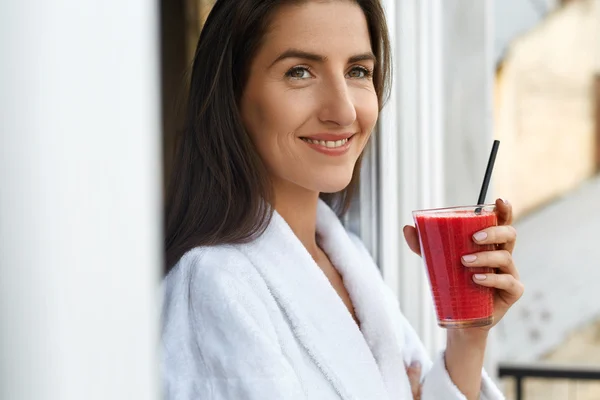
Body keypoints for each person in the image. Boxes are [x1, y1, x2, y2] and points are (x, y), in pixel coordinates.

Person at [161, 0, 524, 399]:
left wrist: (468, 336)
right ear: (232, 93)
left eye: (357, 71)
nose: (344, 110)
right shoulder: (214, 286)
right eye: (299, 72)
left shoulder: (348, 261)